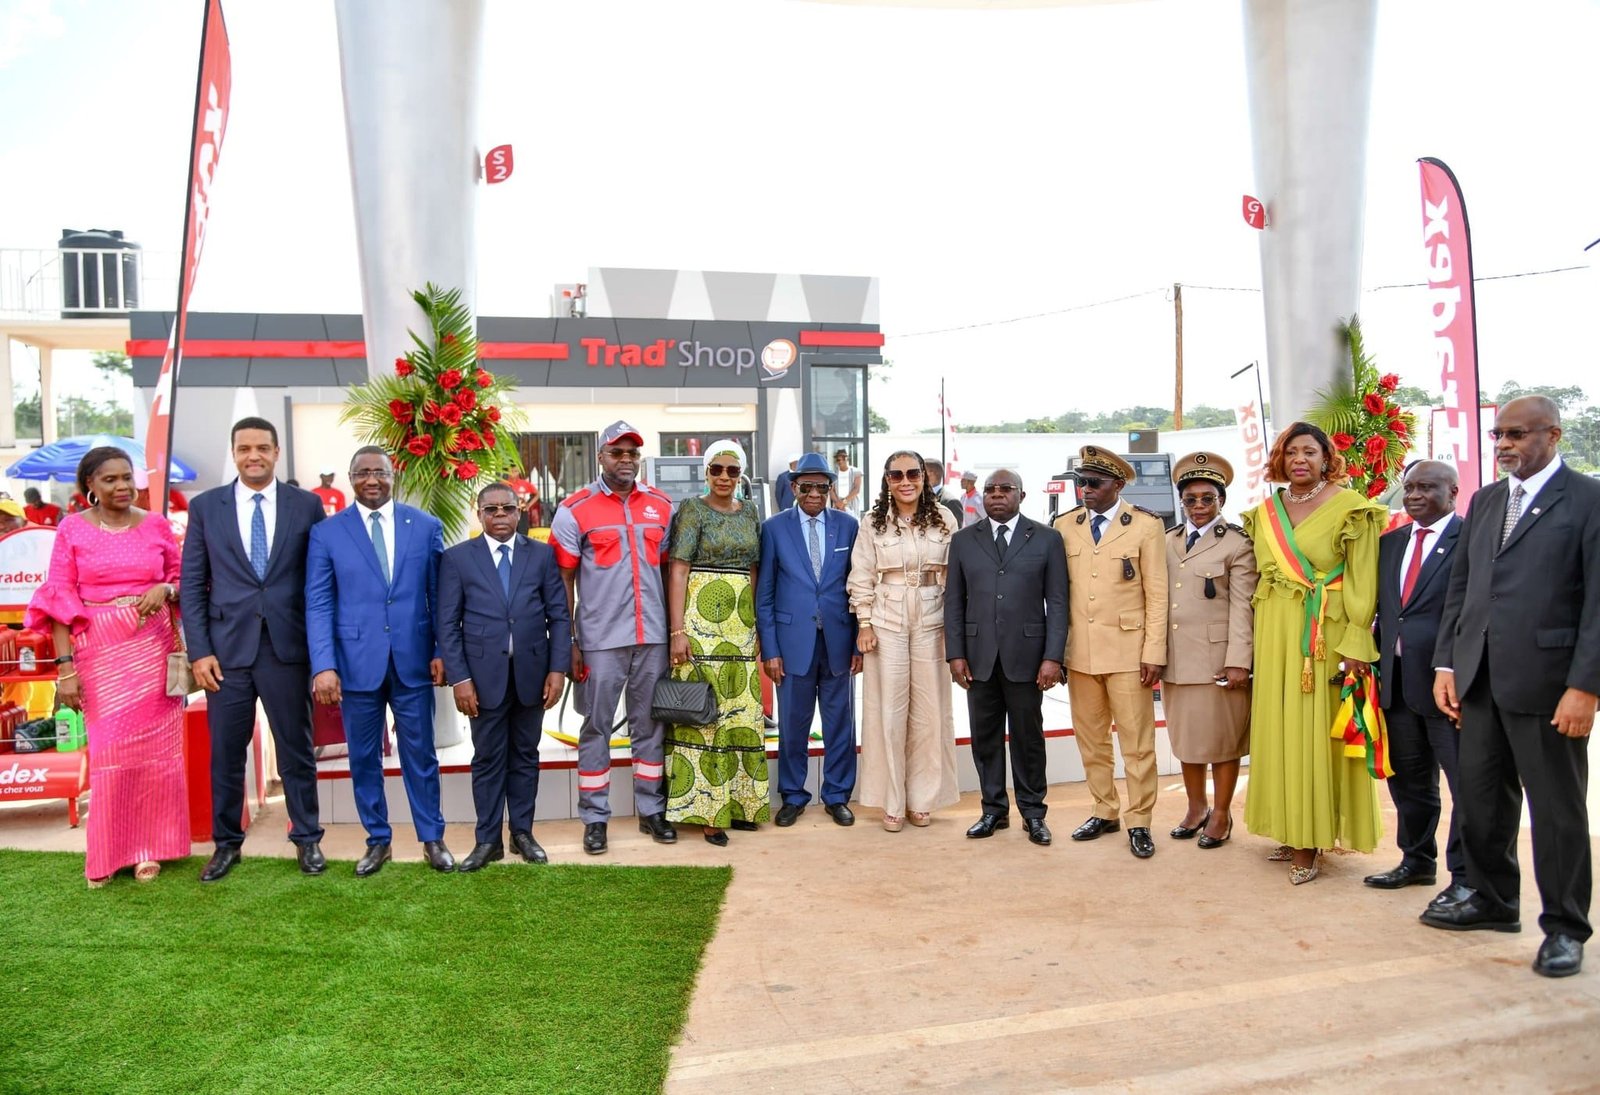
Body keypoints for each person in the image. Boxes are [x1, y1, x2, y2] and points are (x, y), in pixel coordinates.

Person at [1424, 396, 1600, 979]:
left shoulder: (1588, 499)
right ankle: (1493, 901)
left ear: (1554, 434)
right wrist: (1447, 664)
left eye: (1517, 434)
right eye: (1498, 434)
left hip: (1549, 687)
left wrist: (1585, 687)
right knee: (1480, 801)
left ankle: (1566, 929)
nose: (1503, 444)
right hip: (1478, 682)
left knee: (1556, 813)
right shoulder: (1486, 500)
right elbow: (1464, 587)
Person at [27, 446, 186, 886]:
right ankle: (111, 850)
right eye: (110, 479)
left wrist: (165, 590)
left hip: (152, 649)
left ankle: (149, 848)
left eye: (126, 477)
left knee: (156, 754)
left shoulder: (156, 524)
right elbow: (58, 598)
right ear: (90, 486)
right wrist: (65, 670)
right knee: (110, 752)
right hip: (99, 652)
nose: (122, 486)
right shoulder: (72, 529)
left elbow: (182, 579)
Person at [181, 417, 327, 882]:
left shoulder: (307, 505)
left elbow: (320, 580)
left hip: (288, 648)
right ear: (234, 453)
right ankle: (227, 845)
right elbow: (192, 585)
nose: (253, 456)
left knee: (296, 750)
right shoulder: (206, 507)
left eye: (262, 447)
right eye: (244, 448)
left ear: (276, 452)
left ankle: (307, 838)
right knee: (226, 753)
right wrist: (199, 651)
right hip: (224, 655)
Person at [1241, 422, 1385, 884]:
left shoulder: (1351, 508)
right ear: (1279, 460)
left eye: (1309, 451)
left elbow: (1364, 577)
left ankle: (1311, 838)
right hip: (1276, 630)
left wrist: (1357, 642)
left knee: (1314, 731)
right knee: (1281, 728)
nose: (1299, 459)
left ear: (1327, 458)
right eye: (1290, 452)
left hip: (1324, 632)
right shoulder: (1265, 512)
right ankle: (1290, 825)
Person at [306, 445, 454, 877]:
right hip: (355, 665)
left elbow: (439, 596)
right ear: (351, 477)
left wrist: (441, 651)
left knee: (420, 755)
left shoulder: (425, 526)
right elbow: (318, 603)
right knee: (364, 758)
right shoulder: (327, 533)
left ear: (394, 476)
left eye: (380, 472)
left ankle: (432, 838)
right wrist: (324, 665)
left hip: (414, 661)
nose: (372, 479)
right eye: (362, 472)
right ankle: (377, 840)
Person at [550, 420, 678, 855]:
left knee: (651, 726)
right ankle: (595, 818)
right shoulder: (574, 509)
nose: (626, 460)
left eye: (632, 453)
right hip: (599, 641)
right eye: (617, 452)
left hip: (653, 636)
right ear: (600, 456)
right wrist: (568, 641)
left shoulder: (661, 506)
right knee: (596, 728)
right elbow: (563, 581)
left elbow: (669, 571)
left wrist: (674, 631)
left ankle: (651, 810)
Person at [437, 482, 570, 870]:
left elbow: (559, 617)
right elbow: (448, 625)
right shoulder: (458, 559)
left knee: (526, 755)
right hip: (481, 680)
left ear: (519, 512)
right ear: (479, 514)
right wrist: (460, 679)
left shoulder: (541, 555)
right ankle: (488, 840)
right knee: (488, 758)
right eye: (491, 509)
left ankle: (522, 834)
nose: (500, 515)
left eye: (507, 508)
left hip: (533, 674)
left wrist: (557, 670)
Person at [1053, 446, 1168, 858]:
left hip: (1129, 653)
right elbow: (1057, 594)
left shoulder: (1145, 526)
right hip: (1080, 653)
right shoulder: (1065, 525)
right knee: (1092, 741)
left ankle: (1140, 820)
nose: (1084, 489)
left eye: (1093, 483)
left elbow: (1157, 595)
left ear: (1117, 485)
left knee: (1137, 744)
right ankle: (1104, 810)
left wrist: (1154, 651)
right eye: (1081, 482)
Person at [946, 468, 1067, 845]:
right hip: (978, 656)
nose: (996, 495)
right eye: (990, 490)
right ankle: (993, 810)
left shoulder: (1047, 539)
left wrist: (1053, 657)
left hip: (1028, 657)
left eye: (1005, 489)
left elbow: (1058, 602)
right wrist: (955, 654)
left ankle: (1033, 813)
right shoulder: (964, 540)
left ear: (1021, 495)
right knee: (985, 738)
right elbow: (953, 601)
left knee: (1028, 738)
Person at [1366, 460, 1464, 902]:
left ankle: (1466, 878)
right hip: (1398, 683)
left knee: (1466, 786)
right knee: (1409, 781)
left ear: (1453, 491)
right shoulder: (1390, 544)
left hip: (1451, 688)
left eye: (1426, 487)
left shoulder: (1471, 540)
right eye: (1409, 488)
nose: (1415, 495)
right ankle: (1416, 861)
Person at [848, 450, 959, 831]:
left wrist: (955, 628)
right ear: (887, 480)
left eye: (913, 473)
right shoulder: (872, 522)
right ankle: (892, 801)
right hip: (886, 621)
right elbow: (861, 574)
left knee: (930, 712)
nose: (906, 481)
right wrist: (864, 623)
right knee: (888, 711)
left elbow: (956, 576)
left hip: (932, 620)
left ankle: (922, 800)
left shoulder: (944, 518)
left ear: (925, 478)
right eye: (897, 475)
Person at [663, 440, 767, 845]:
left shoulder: (751, 511)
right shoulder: (692, 509)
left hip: (741, 625)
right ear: (706, 472)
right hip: (700, 624)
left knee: (742, 715)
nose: (724, 477)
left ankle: (741, 804)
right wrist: (677, 631)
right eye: (717, 469)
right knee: (704, 716)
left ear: (741, 475)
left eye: (732, 470)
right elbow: (678, 569)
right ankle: (708, 812)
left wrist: (754, 624)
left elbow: (753, 569)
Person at [757, 451, 861, 828]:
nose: (814, 493)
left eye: (821, 486)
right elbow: (765, 595)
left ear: (831, 488)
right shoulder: (773, 528)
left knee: (840, 725)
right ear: (793, 487)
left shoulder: (848, 526)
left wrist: (856, 644)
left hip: (838, 642)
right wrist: (770, 650)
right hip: (791, 645)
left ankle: (837, 795)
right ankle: (793, 796)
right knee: (793, 726)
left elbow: (858, 586)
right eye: (806, 487)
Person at [1161, 453, 1257, 849]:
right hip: (1176, 659)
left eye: (1207, 498)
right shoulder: (1167, 541)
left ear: (1222, 501)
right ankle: (1196, 807)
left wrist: (1238, 662)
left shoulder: (1237, 543)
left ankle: (1221, 813)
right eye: (1191, 499)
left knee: (1222, 741)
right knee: (1187, 740)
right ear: (1181, 502)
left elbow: (1243, 607)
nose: (1198, 506)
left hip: (1217, 660)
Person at [924, 459, 965, 529]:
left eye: (920, 472)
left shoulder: (951, 502)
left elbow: (956, 532)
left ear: (931, 474)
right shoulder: (919, 497)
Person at [831, 449, 862, 513]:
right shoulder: (834, 473)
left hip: (852, 505)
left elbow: (857, 489)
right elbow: (831, 490)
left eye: (841, 459)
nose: (839, 462)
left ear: (846, 459)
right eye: (837, 460)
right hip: (838, 506)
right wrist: (838, 503)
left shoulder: (856, 472)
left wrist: (844, 502)